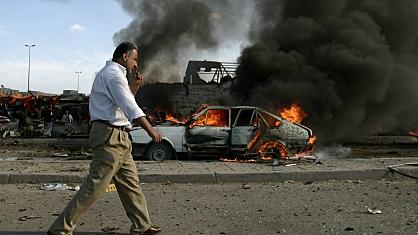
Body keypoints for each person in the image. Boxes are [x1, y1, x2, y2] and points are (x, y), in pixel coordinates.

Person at [48, 42, 163, 235]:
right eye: (134, 58)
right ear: (125, 57)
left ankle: (141, 226)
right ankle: (60, 229)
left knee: (131, 185)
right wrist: (151, 130)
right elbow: (131, 109)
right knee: (95, 186)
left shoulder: (116, 77)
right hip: (110, 137)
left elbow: (122, 105)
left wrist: (134, 87)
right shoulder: (113, 76)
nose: (136, 64)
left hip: (119, 138)